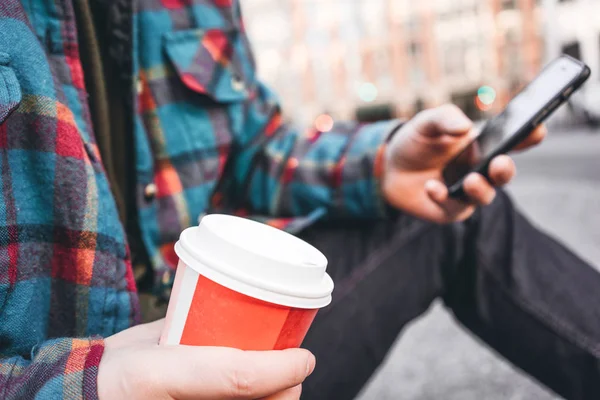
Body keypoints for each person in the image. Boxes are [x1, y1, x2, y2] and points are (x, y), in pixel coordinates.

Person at [0, 0, 599, 399]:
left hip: (229, 348)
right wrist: (81, 386)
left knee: (451, 220)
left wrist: (384, 161)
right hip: (67, 377)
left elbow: (251, 148)